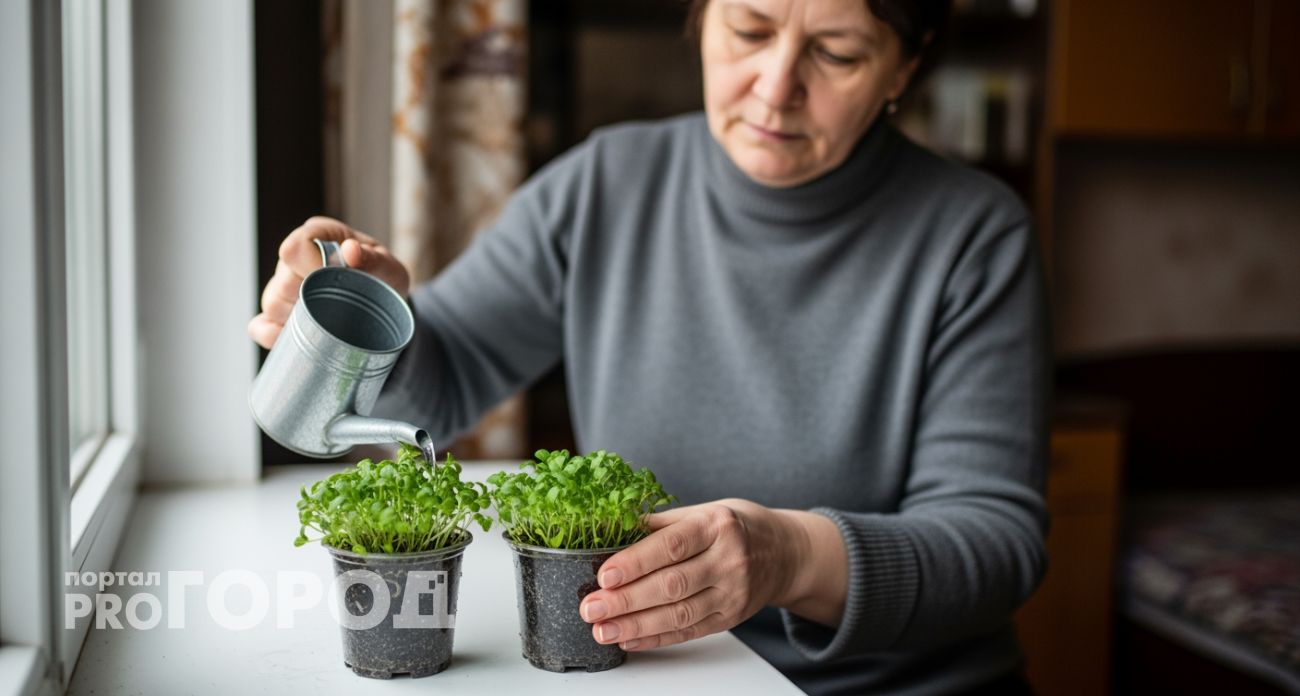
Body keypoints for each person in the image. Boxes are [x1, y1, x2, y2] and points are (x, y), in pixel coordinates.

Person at [249, 0, 1050, 693]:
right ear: (701, 20)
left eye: (836, 53)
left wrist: (789, 556)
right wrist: (369, 331)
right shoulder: (606, 185)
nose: (776, 87)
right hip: (663, 681)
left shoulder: (974, 236)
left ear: (903, 69)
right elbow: (446, 374)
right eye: (748, 30)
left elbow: (995, 542)